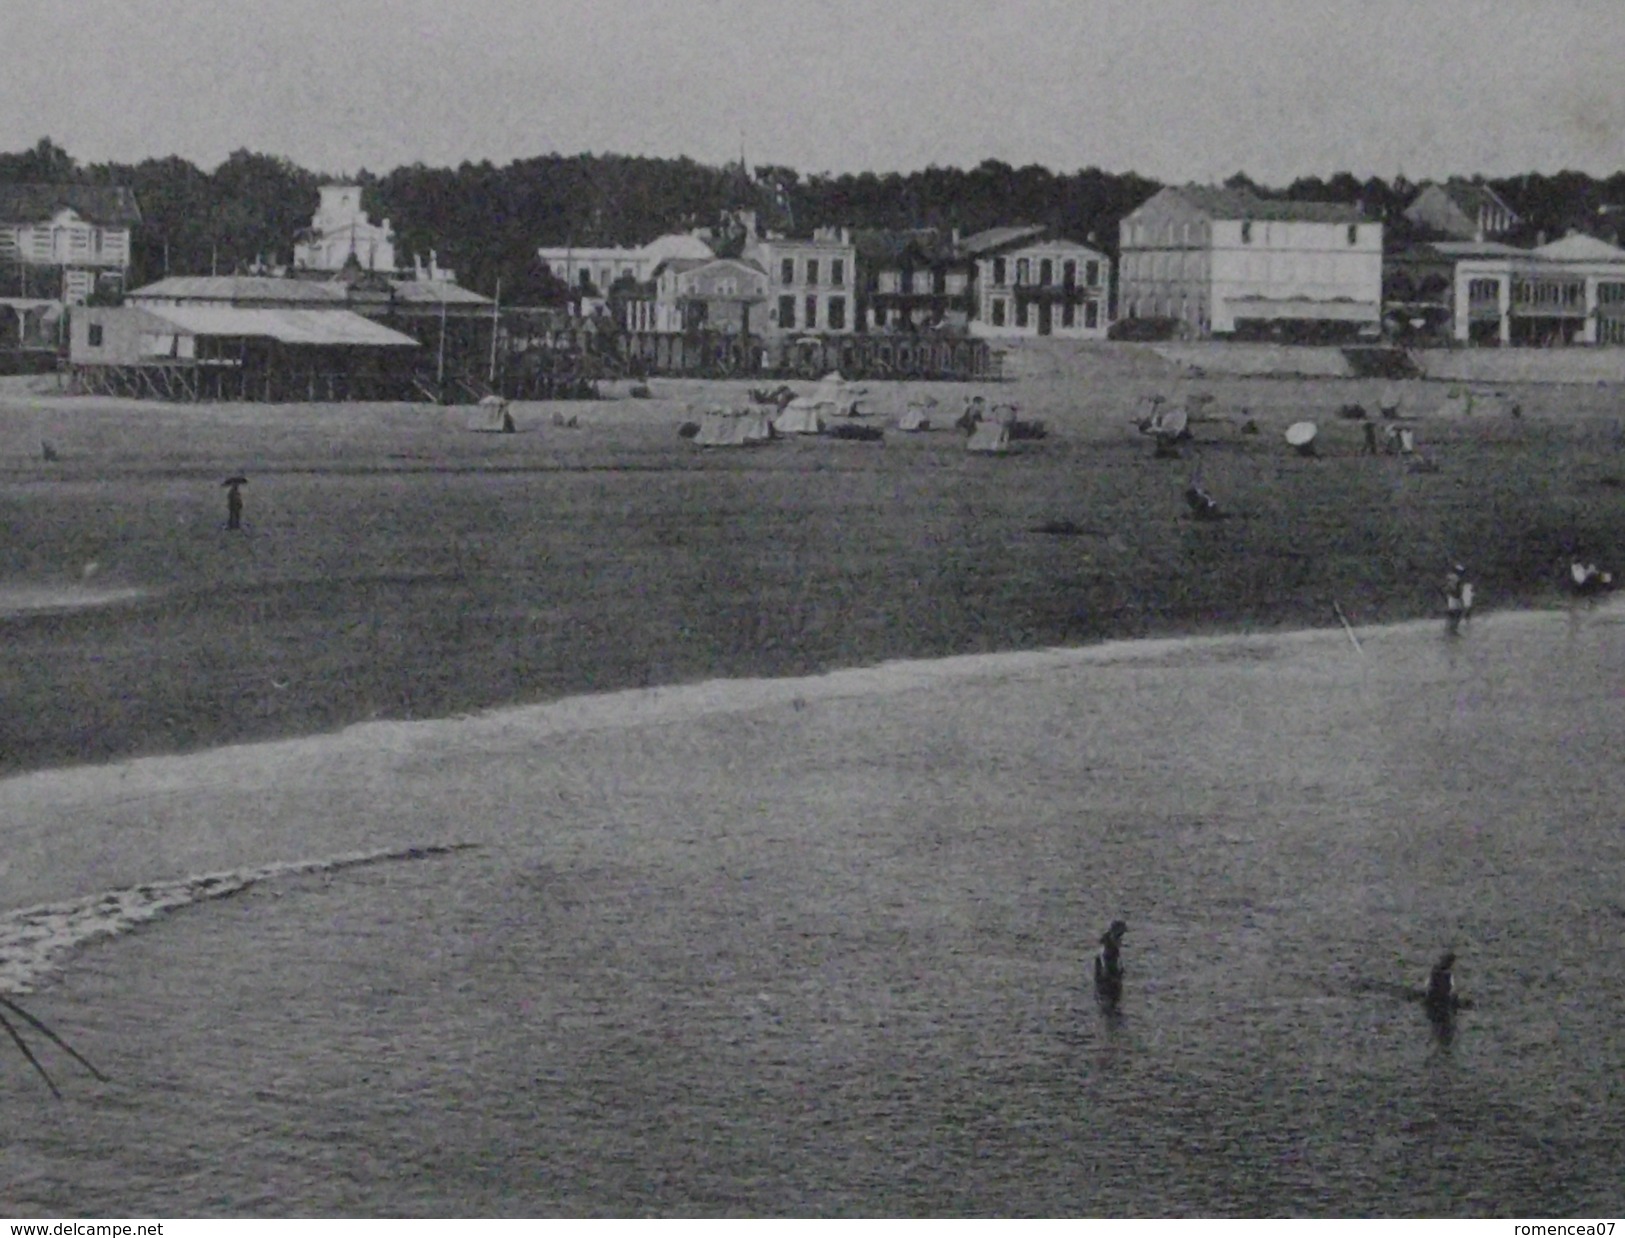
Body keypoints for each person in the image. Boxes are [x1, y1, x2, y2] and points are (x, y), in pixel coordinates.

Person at [1094, 920, 1128, 1004]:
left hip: (1112, 979)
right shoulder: (1107, 948)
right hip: (1108, 981)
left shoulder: (1111, 945)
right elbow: (1103, 963)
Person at [1444, 564, 1473, 633]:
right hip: (1455, 598)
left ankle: (1451, 628)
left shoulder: (1450, 577)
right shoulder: (1455, 579)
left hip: (1452, 598)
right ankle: (1452, 628)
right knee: (1456, 613)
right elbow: (1455, 589)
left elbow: (1448, 589)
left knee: (1453, 613)